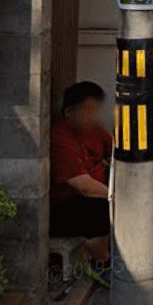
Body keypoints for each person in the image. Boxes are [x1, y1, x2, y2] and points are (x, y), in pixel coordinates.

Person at [49, 81, 112, 279]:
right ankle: (102, 264)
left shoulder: (95, 130)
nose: (93, 115)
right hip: (64, 205)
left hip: (94, 192)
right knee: (100, 211)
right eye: (88, 109)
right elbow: (82, 187)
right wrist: (117, 196)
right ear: (69, 112)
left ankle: (111, 250)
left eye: (96, 109)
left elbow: (116, 154)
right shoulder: (59, 137)